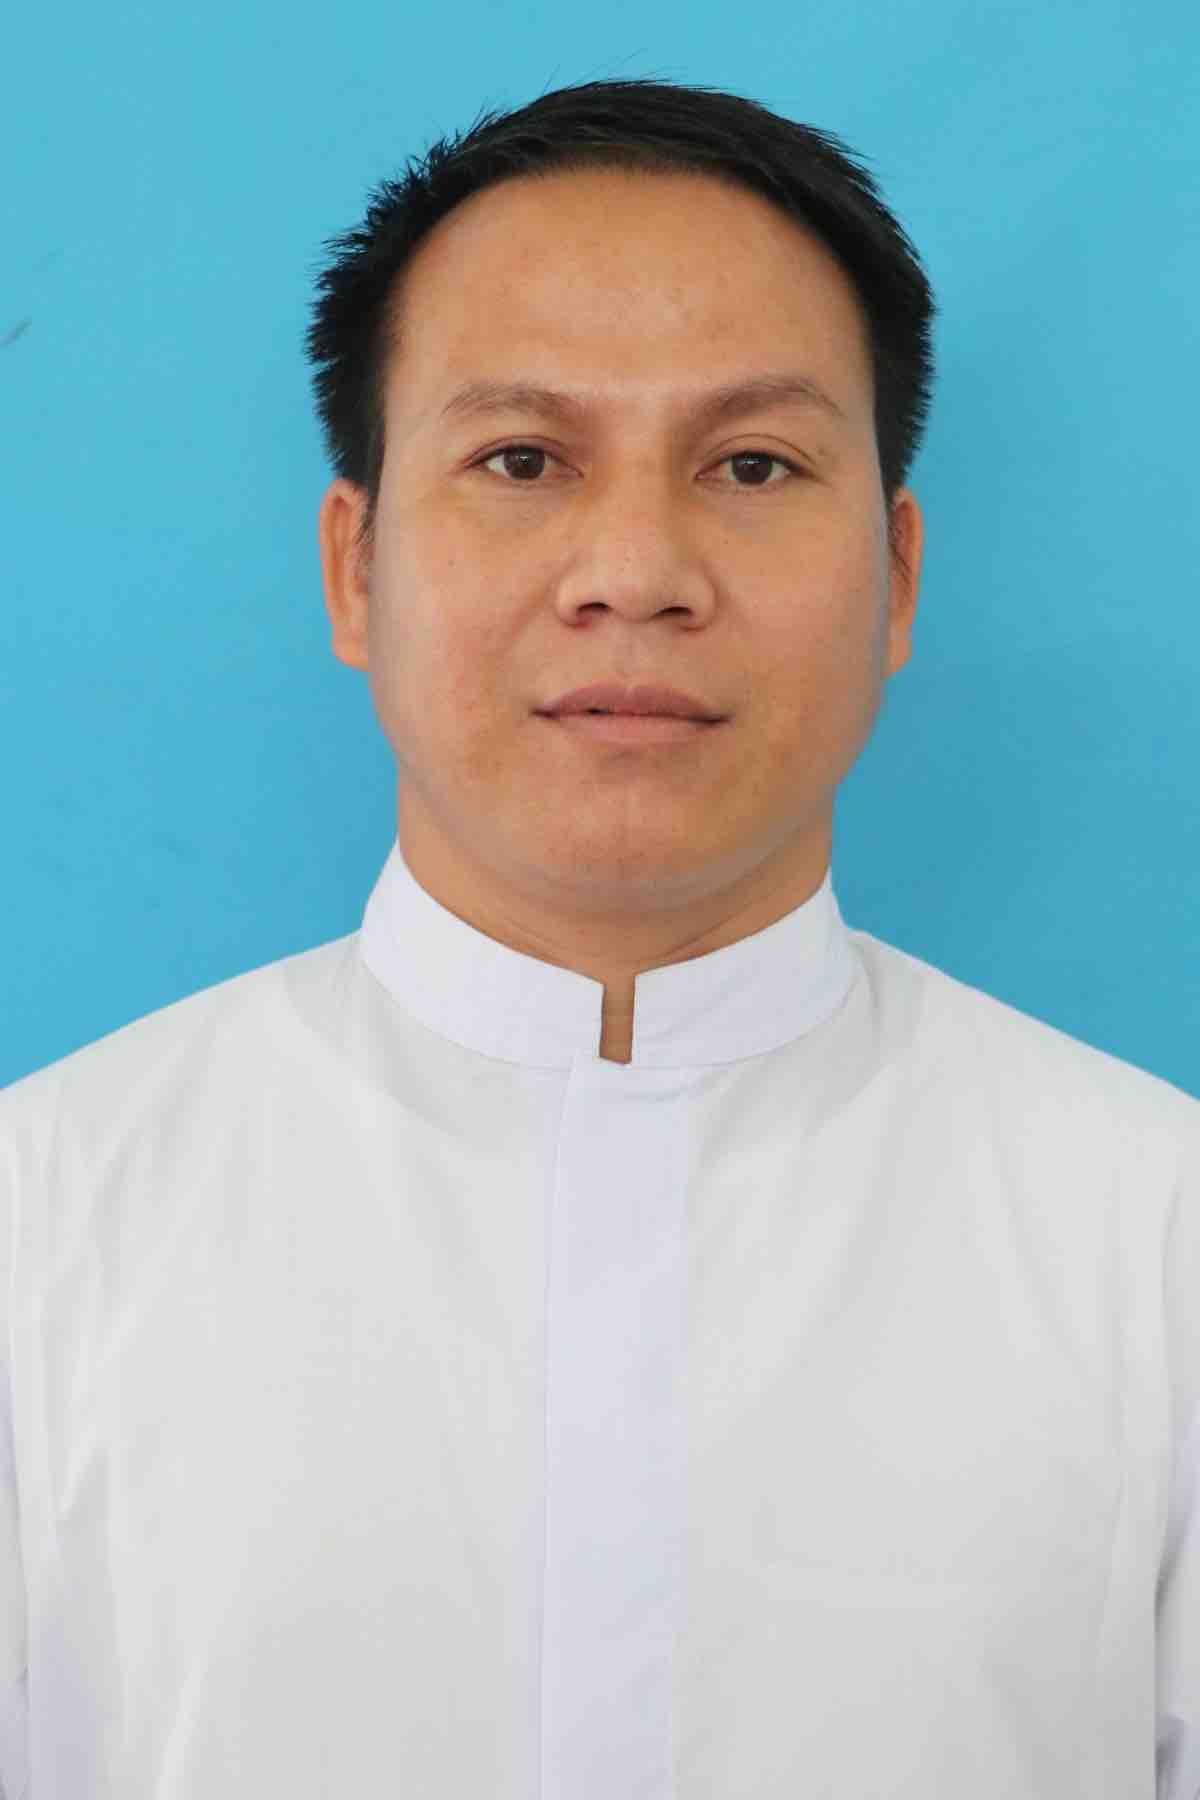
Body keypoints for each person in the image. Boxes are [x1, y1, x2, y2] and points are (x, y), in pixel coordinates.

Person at [1, 75, 1196, 1799]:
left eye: (754, 464)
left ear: (898, 574)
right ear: (353, 568)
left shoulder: (1160, 1244)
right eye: (522, 460)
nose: (634, 570)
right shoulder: (43, 1231)